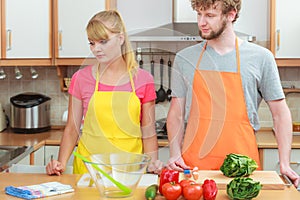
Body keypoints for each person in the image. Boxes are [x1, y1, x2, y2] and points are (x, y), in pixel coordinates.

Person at [166, 0, 300, 187]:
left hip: (243, 168)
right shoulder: (185, 58)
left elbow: (280, 114)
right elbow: (176, 113)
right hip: (195, 169)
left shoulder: (261, 58)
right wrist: (174, 153)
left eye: (210, 16)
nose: (201, 22)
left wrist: (284, 163)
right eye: (199, 14)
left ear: (231, 14)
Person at [46, 10, 163, 175]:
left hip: (129, 172)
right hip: (89, 171)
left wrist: (152, 164)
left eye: (103, 41)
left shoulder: (143, 80)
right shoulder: (80, 78)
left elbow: (148, 132)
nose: (96, 49)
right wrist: (61, 163)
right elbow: (72, 128)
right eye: (92, 43)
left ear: (120, 38)